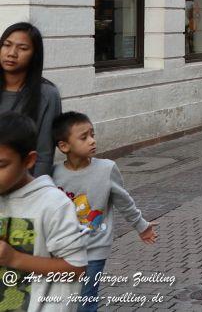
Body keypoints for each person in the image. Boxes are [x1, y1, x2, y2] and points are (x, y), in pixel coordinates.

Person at [51, 112, 157, 312]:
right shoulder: (53, 174)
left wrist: (142, 226)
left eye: (93, 134)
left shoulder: (107, 169)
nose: (92, 141)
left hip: (94, 248)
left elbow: (124, 202)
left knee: (86, 301)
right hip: (62, 250)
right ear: (64, 146)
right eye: (84, 137)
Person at [0, 112, 87, 312]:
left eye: (1, 165)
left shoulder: (53, 205)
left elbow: (76, 269)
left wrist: (14, 259)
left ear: (29, 160)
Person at [1, 23, 62, 176]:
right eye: (7, 45)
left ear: (35, 55)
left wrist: (35, 187)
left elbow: (44, 154)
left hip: (21, 183)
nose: (12, 53)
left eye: (22, 48)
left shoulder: (47, 94)